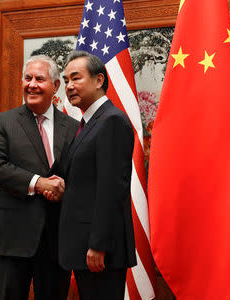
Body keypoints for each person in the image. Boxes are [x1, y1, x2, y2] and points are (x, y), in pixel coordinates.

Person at [0, 55, 79, 300]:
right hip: (13, 240)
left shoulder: (73, 127)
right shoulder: (3, 123)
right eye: (28, 78)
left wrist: (62, 187)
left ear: (56, 86)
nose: (32, 84)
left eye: (39, 79)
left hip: (56, 242)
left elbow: (78, 174)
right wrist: (39, 183)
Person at [58, 50, 136, 300]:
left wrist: (98, 245)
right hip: (85, 247)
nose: (69, 86)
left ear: (99, 80)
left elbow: (111, 188)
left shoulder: (111, 120)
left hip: (100, 251)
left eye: (76, 78)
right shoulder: (90, 123)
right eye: (66, 80)